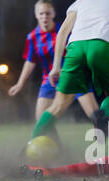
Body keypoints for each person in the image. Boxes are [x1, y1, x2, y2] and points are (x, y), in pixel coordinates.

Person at [29, 0, 109, 142]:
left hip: (75, 48)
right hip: (102, 46)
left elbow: (63, 32)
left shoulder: (80, 2)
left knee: (58, 105)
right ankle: (100, 119)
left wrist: (56, 67)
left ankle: (28, 147)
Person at [9, 0, 99, 145]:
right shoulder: (32, 37)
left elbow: (80, 53)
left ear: (53, 14)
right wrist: (20, 83)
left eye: (47, 13)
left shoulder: (64, 32)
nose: (44, 16)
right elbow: (30, 61)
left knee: (96, 116)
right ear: (36, 15)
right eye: (41, 13)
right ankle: (57, 149)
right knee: (42, 120)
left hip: (74, 77)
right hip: (50, 81)